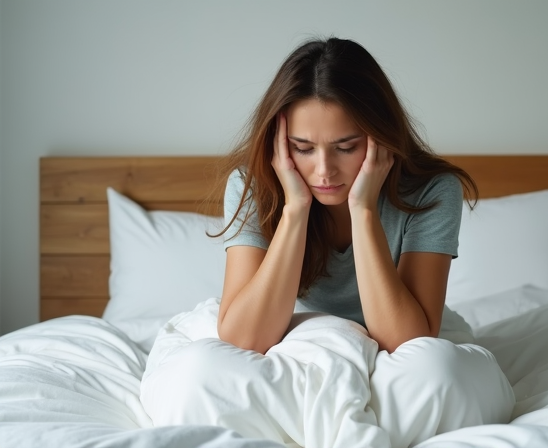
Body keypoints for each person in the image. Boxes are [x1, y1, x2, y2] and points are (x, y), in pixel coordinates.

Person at [140, 37, 514, 448]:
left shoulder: (432, 191)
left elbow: (408, 341)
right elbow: (245, 338)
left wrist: (365, 211)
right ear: (280, 146)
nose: (324, 171)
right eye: (302, 148)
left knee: (440, 372)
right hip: (281, 334)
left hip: (400, 334)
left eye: (346, 147)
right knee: (196, 375)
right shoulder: (253, 187)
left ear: (380, 138)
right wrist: (295, 210)